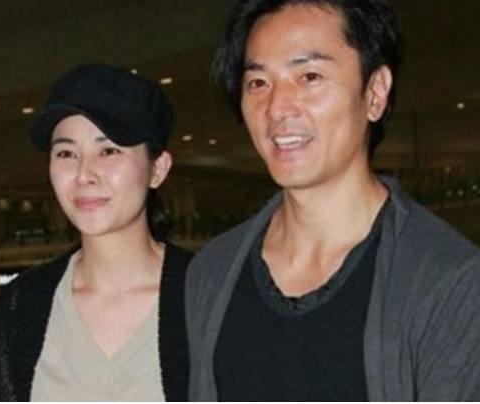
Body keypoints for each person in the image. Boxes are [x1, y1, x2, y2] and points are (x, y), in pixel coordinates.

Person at [185, 0, 480, 401]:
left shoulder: (447, 279)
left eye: (309, 76)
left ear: (374, 93)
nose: (277, 108)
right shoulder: (213, 271)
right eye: (258, 82)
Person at [0, 64, 192, 401]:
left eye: (108, 151)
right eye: (66, 153)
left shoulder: (205, 296)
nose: (84, 174)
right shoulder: (23, 305)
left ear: (158, 168)